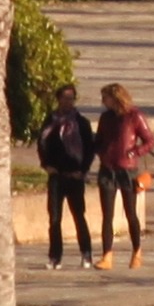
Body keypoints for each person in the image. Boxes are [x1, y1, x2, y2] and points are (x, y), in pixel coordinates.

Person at [93, 83, 154, 271]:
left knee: (131, 214)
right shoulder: (105, 118)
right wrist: (99, 150)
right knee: (107, 216)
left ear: (116, 97)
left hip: (127, 171)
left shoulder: (134, 116)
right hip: (107, 169)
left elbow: (150, 140)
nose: (103, 102)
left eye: (106, 98)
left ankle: (137, 252)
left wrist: (135, 152)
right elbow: (98, 140)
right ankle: (107, 256)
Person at [34, 84, 98, 267]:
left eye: (71, 98)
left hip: (75, 176)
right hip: (56, 176)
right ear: (59, 99)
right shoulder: (51, 121)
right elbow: (42, 143)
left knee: (79, 216)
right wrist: (46, 165)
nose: (68, 102)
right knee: (54, 218)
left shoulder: (81, 123)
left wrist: (83, 170)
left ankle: (86, 254)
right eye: (65, 98)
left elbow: (90, 149)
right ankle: (55, 257)